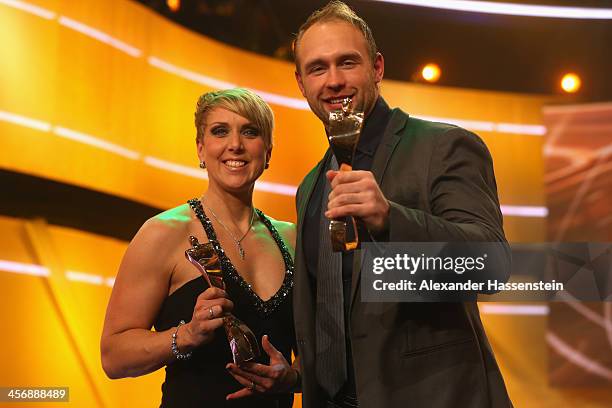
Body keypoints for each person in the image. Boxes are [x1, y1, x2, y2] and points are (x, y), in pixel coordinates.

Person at [291, 2, 512, 407]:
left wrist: (390, 219)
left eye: (347, 63)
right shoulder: (309, 188)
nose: (334, 80)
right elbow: (333, 314)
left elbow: (490, 267)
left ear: (376, 68)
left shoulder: (443, 147)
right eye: (318, 68)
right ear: (301, 83)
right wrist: (296, 375)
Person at [100, 88, 301, 407]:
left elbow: (323, 349)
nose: (235, 144)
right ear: (200, 149)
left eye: (250, 132)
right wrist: (187, 335)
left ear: (268, 152)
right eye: (220, 131)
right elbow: (113, 356)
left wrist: (293, 378)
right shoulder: (162, 233)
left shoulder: (293, 239)